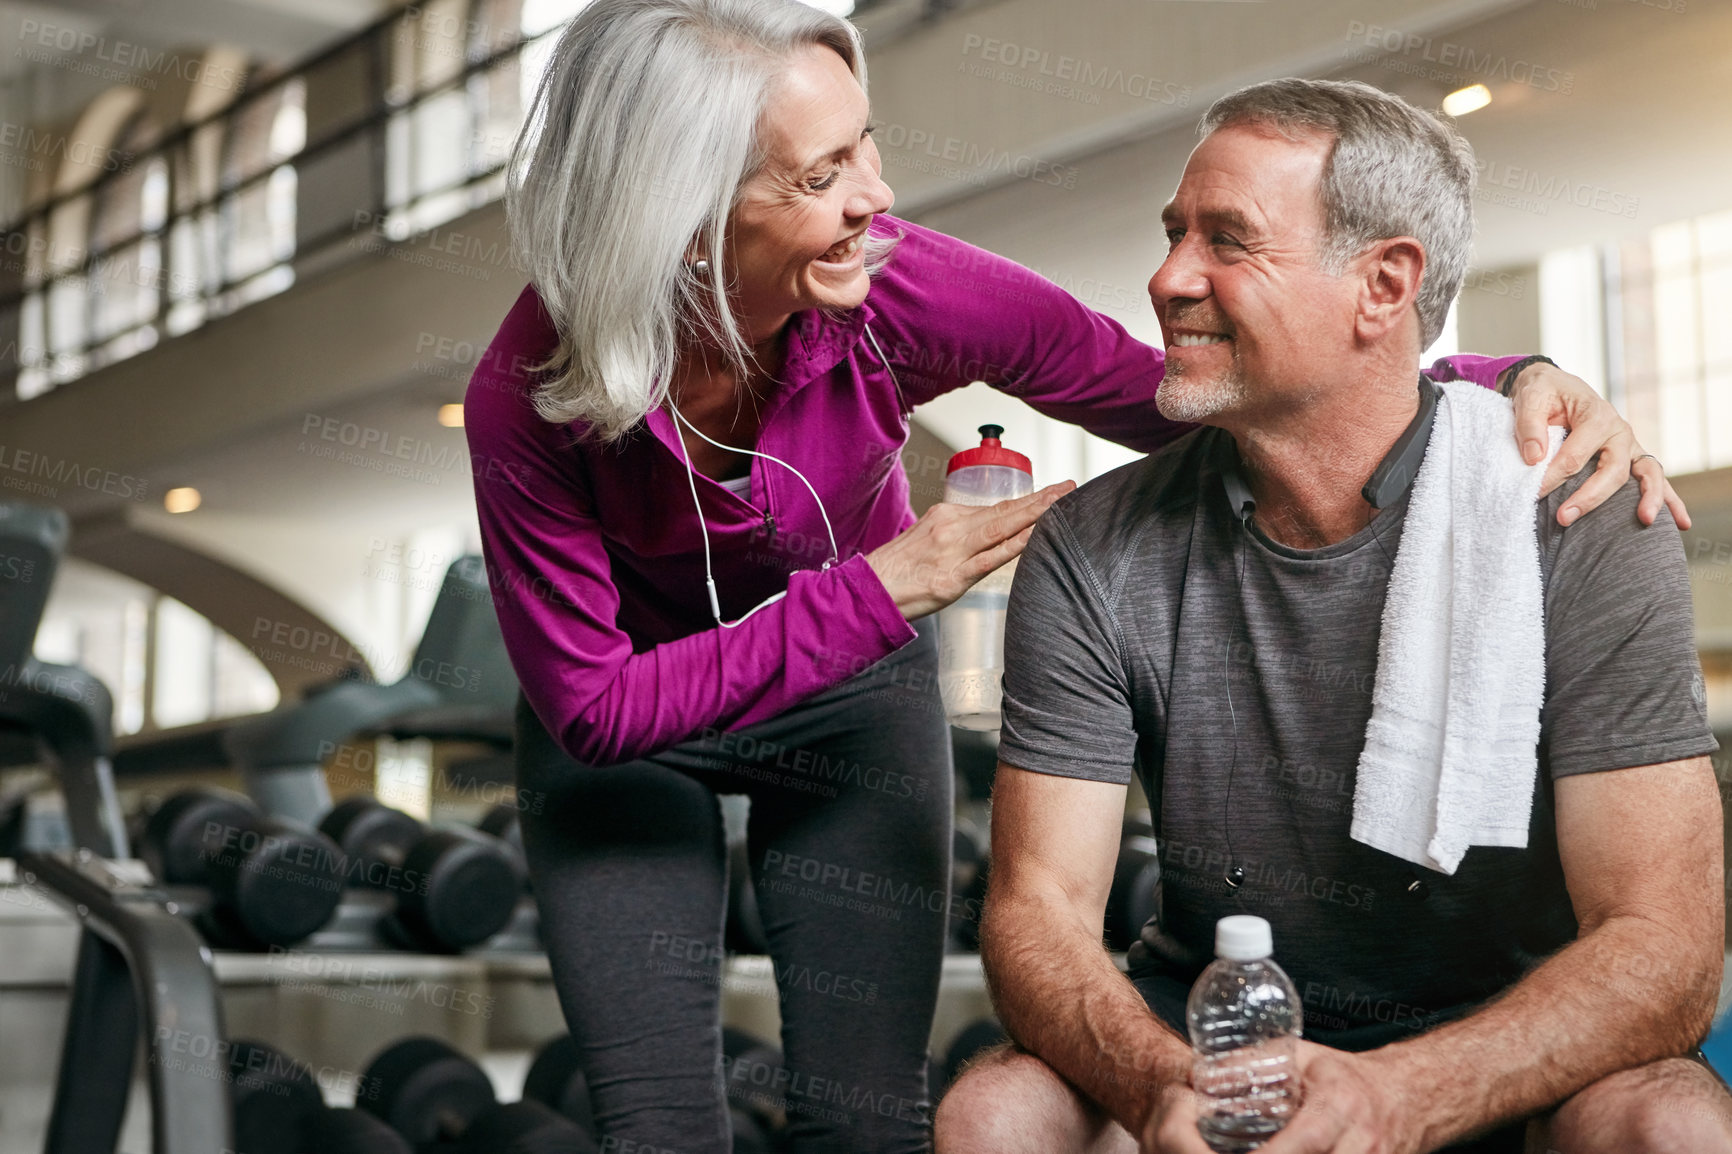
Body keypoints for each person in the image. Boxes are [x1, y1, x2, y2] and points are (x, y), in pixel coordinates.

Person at [463, 2, 1678, 1149]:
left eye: (864, 149)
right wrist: (890, 585)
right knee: (658, 1126)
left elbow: (1175, 392)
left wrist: (1499, 387)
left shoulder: (895, 283)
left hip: (845, 696)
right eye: (821, 175)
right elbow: (594, 706)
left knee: (864, 1116)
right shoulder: (527, 394)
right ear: (685, 213)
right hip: (636, 717)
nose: (876, 198)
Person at [934, 78, 1727, 1154]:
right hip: (1211, 1037)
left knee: (1672, 1120)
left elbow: (1666, 939)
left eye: (1227, 240)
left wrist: (1401, 1093)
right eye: (1174, 235)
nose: (1168, 278)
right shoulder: (1095, 543)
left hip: (1506, 1047)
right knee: (995, 1106)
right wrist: (1173, 1085)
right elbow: (1037, 910)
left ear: (1382, 284)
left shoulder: (1582, 515)